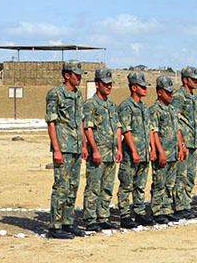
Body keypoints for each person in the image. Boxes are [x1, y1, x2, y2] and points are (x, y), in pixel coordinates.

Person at [45, 61, 88, 239]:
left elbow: (80, 121)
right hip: (63, 148)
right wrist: (56, 149)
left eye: (80, 75)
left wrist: (84, 144)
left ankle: (68, 223)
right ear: (67, 75)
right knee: (61, 188)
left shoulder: (78, 95)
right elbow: (51, 122)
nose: (79, 78)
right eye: (76, 75)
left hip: (76, 147)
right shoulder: (55, 94)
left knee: (72, 187)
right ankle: (55, 227)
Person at [83, 68, 122, 231]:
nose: (109, 87)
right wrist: (95, 150)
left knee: (107, 187)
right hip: (98, 154)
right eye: (105, 84)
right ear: (97, 84)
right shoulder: (91, 105)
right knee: (93, 186)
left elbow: (118, 127)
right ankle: (91, 218)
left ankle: (103, 216)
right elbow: (88, 128)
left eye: (110, 84)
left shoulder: (112, 105)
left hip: (111, 154)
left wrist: (119, 148)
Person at [148, 75, 187, 222]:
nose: (171, 95)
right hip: (162, 153)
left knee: (170, 183)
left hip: (173, 152)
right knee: (159, 183)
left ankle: (166, 208)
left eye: (172, 92)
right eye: (168, 92)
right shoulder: (155, 110)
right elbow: (154, 132)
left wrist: (181, 146)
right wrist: (160, 151)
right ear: (159, 92)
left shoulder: (172, 109)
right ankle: (157, 211)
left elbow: (177, 130)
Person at [117, 71, 152, 229]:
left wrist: (151, 149)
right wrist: (134, 151)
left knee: (140, 184)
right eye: (142, 86)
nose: (145, 89)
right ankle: (124, 214)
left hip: (144, 153)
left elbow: (148, 130)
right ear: (133, 87)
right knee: (126, 184)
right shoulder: (126, 106)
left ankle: (139, 211)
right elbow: (126, 130)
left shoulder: (144, 107)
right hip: (131, 154)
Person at [172, 67, 197, 219]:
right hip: (183, 141)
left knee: (190, 175)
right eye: (193, 79)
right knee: (181, 176)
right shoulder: (178, 96)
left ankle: (186, 203)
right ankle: (179, 206)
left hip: (192, 141)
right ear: (185, 80)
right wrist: (180, 143)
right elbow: (175, 121)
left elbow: (193, 121)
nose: (196, 82)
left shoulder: (192, 97)